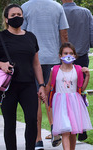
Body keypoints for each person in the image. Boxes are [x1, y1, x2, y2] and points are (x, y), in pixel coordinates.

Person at [0, 4, 46, 150]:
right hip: (7, 86)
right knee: (10, 122)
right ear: (6, 19)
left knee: (32, 119)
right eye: (13, 15)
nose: (17, 17)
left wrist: (41, 85)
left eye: (19, 14)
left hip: (28, 85)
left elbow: (36, 64)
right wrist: (1, 65)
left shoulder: (31, 37)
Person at [21, 0, 69, 149]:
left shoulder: (25, 7)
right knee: (52, 96)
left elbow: (21, 34)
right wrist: (65, 57)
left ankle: (38, 139)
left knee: (35, 99)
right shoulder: (57, 6)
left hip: (33, 60)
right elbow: (64, 34)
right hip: (54, 59)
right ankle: (55, 128)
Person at [46, 42, 92, 150]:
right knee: (65, 131)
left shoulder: (78, 70)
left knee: (72, 132)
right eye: (65, 53)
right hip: (60, 103)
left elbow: (82, 88)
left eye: (71, 53)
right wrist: (43, 93)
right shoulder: (55, 70)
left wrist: (88, 76)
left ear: (75, 56)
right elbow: (49, 85)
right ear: (60, 56)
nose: (68, 55)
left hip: (74, 103)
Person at [62, 0, 93, 141]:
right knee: (79, 92)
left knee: (63, 94)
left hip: (62, 58)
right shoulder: (86, 13)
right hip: (81, 56)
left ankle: (65, 126)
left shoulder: (59, 12)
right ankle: (82, 128)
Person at [62, 0, 93, 68]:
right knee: (82, 78)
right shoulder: (85, 12)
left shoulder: (58, 12)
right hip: (81, 55)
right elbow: (91, 35)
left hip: (62, 56)